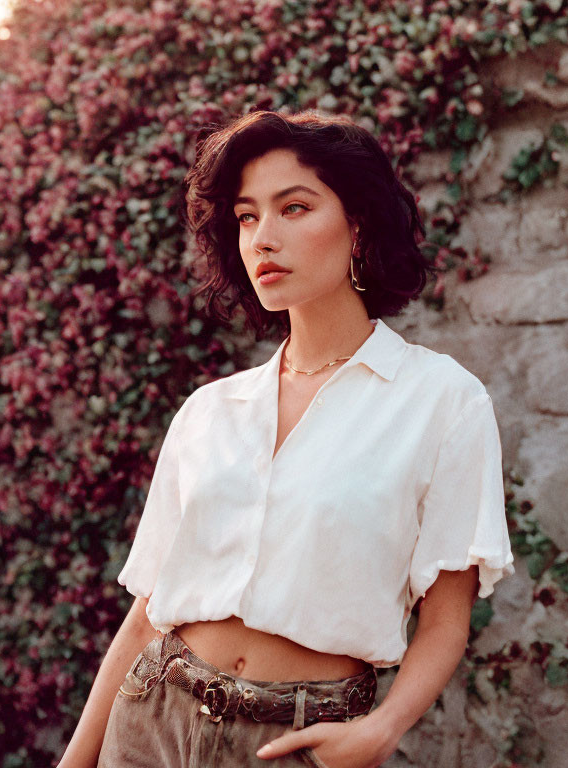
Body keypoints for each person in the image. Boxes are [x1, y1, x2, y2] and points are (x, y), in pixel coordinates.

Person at [57, 109, 514, 768]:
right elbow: (148, 613)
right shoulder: (210, 411)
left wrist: (380, 730)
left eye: (293, 208)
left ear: (357, 224)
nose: (263, 238)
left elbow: (446, 620)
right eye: (247, 217)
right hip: (153, 719)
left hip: (297, 741)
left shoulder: (442, 401)